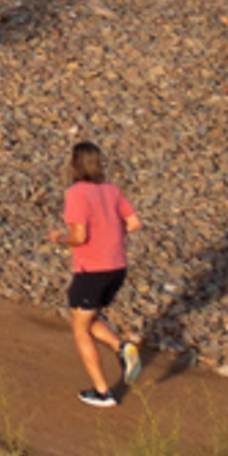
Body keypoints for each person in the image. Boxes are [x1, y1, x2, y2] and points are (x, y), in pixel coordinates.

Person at [48, 141, 140, 406]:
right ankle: (122, 349)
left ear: (74, 164)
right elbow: (134, 223)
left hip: (91, 270)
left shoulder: (76, 193)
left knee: (80, 330)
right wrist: (111, 234)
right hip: (117, 268)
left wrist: (58, 238)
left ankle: (103, 391)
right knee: (85, 318)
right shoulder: (112, 190)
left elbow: (79, 236)